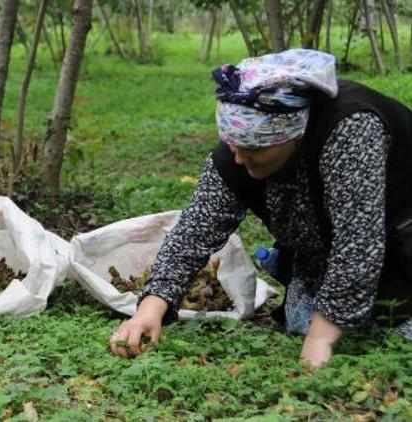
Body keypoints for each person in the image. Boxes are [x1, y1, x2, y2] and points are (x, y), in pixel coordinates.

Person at [109, 49, 412, 367]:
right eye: (232, 145)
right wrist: (150, 308)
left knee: (387, 335)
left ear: (290, 136)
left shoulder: (350, 128)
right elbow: (194, 232)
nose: (239, 158)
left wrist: (321, 337)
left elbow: (358, 243)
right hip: (323, 258)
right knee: (303, 322)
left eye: (253, 149)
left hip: (400, 241)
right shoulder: (237, 151)